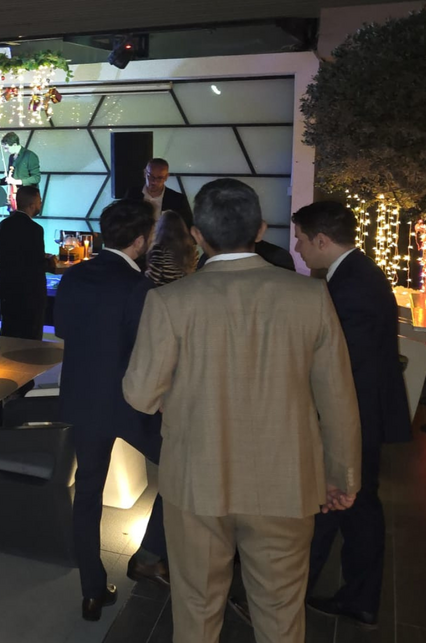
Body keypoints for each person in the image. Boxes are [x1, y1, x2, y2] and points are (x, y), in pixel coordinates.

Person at [123, 178, 362, 643]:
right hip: (287, 483)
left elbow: (139, 394)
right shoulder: (310, 297)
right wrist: (342, 476)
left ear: (197, 235)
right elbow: (338, 398)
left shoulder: (169, 301)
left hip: (196, 481)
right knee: (281, 612)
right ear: (260, 229)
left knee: (196, 608)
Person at [293, 201, 411, 628]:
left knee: (337, 502)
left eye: (301, 239)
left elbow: (345, 366)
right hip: (364, 412)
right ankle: (355, 598)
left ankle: (288, 598)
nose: (298, 248)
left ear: (322, 240)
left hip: (356, 416)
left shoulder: (352, 286)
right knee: (352, 507)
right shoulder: (355, 274)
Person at [54, 198, 168, 622]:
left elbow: (63, 329)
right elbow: (149, 352)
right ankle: (148, 553)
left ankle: (92, 591)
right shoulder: (140, 287)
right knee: (181, 466)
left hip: (83, 398)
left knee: (87, 494)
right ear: (141, 240)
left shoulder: (74, 276)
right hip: (131, 403)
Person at [0, 186, 54, 340]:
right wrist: (50, 261)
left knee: (8, 335)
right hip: (29, 294)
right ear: (32, 205)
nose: (41, 204)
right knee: (31, 339)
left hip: (7, 291)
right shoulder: (35, 229)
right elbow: (36, 263)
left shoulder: (3, 225)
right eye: (39, 201)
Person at [123, 158, 194, 229]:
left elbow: (186, 226)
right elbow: (123, 221)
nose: (154, 181)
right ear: (145, 173)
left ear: (166, 177)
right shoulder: (132, 194)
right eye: (151, 176)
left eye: (159, 178)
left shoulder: (178, 199)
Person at [0, 133, 40, 212]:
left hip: (27, 199)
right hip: (14, 197)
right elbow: (9, 179)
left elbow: (36, 178)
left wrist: (15, 181)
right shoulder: (11, 157)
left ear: (14, 145)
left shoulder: (30, 156)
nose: (5, 151)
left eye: (7, 148)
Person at [145, 210, 198, 286]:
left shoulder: (159, 249)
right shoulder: (191, 249)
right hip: (185, 289)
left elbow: (153, 277)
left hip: (164, 291)